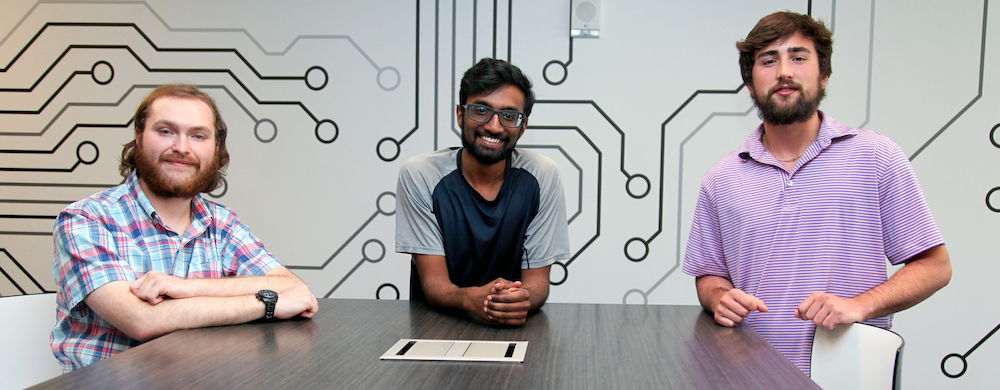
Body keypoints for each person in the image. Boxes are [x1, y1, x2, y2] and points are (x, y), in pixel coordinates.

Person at [682, 12, 951, 374]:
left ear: (823, 75)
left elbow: (935, 267)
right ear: (750, 83)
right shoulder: (721, 178)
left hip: (851, 375)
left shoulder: (876, 156)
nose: (784, 72)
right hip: (744, 376)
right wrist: (719, 297)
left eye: (798, 57)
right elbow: (709, 275)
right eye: (768, 60)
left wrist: (860, 305)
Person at [51, 84, 319, 372]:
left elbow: (292, 286)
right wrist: (266, 305)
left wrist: (184, 288)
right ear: (139, 137)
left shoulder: (222, 223)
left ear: (216, 148)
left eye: (198, 135)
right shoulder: (87, 219)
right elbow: (141, 320)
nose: (181, 147)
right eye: (166, 131)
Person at [395, 58, 570, 326]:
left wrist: (518, 298)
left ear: (523, 127)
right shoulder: (421, 174)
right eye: (481, 110)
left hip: (511, 327)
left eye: (509, 115)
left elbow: (537, 284)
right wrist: (475, 299)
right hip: (437, 328)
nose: (494, 126)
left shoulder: (542, 175)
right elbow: (433, 283)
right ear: (460, 114)